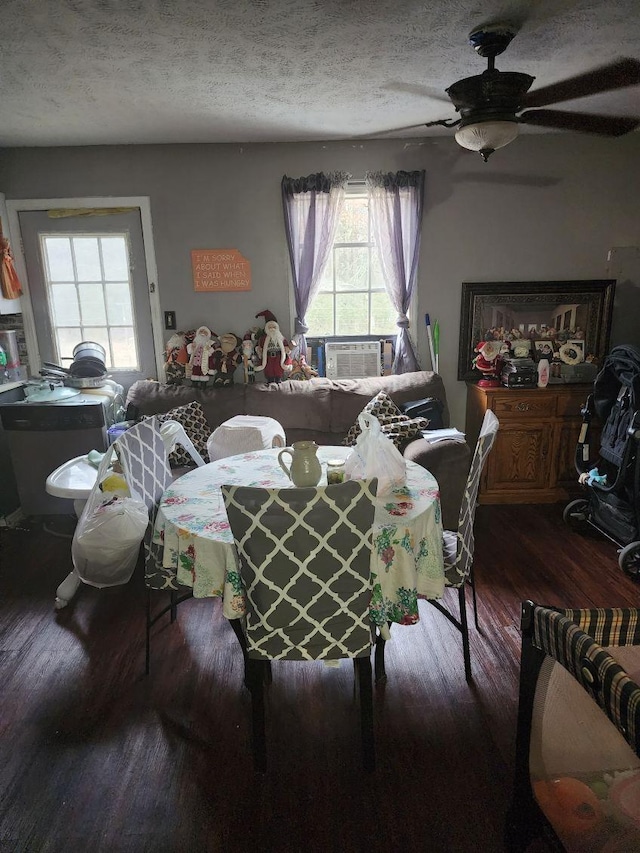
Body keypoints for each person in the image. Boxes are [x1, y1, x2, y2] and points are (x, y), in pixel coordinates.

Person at [254, 310, 291, 383]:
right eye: (270, 327)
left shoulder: (281, 337)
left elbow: (285, 344)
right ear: (267, 328)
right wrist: (259, 349)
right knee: (269, 369)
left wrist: (287, 348)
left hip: (278, 356)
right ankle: (270, 380)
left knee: (278, 369)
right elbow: (259, 345)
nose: (272, 329)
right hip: (268, 357)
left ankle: (278, 380)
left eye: (274, 327)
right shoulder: (263, 338)